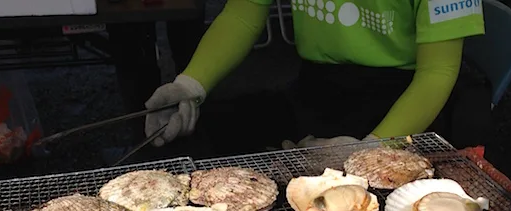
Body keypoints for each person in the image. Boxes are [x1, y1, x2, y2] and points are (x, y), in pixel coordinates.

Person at [143, 0, 485, 148]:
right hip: (316, 89)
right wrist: (189, 85)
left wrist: (371, 151)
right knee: (204, 136)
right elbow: (242, 15)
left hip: (403, 99)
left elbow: (437, 72)